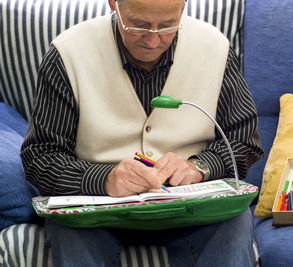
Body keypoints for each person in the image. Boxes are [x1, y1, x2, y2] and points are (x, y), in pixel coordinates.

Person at [21, 0, 264, 266]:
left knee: (233, 220)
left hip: (194, 210)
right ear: (114, 4)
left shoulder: (214, 48)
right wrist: (103, 178)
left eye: (168, 25)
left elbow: (243, 140)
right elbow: (40, 156)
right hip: (97, 213)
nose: (153, 41)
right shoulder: (68, 53)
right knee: (68, 228)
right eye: (139, 26)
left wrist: (200, 167)